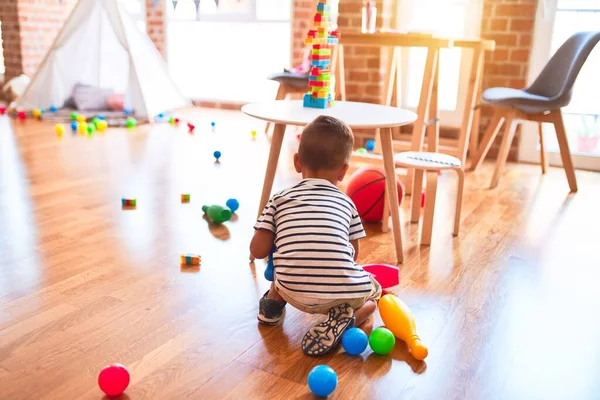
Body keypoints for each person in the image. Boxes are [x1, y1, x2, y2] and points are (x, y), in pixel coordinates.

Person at [250, 115, 382, 356]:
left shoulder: (279, 199)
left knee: (282, 265)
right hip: (338, 293)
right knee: (375, 292)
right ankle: (348, 318)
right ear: (343, 171)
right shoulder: (347, 203)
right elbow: (354, 255)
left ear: (297, 162)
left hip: (290, 289)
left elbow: (257, 251)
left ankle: (271, 307)